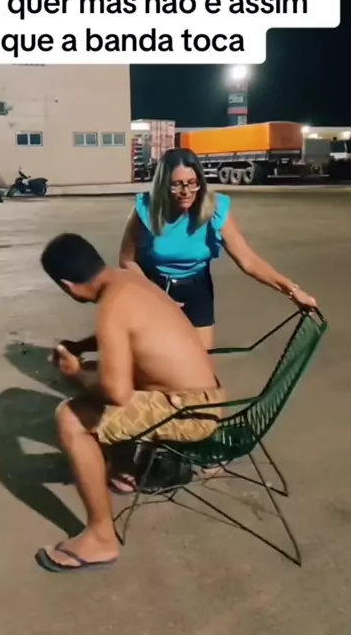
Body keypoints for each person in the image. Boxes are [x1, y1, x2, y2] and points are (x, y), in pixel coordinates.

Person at [37, 233, 225, 574]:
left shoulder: (112, 307)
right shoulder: (130, 280)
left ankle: (100, 539)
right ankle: (124, 470)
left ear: (67, 286)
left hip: (191, 413)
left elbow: (116, 393)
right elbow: (129, 330)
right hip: (204, 398)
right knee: (114, 369)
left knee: (71, 418)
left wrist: (76, 372)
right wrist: (81, 347)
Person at [119, 148, 317, 350]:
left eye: (192, 183)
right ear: (163, 185)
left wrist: (293, 291)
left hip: (197, 286)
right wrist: (155, 295)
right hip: (154, 286)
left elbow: (249, 261)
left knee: (201, 359)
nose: (186, 192)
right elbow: (127, 260)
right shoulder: (146, 209)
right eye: (177, 184)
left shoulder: (215, 209)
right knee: (157, 357)